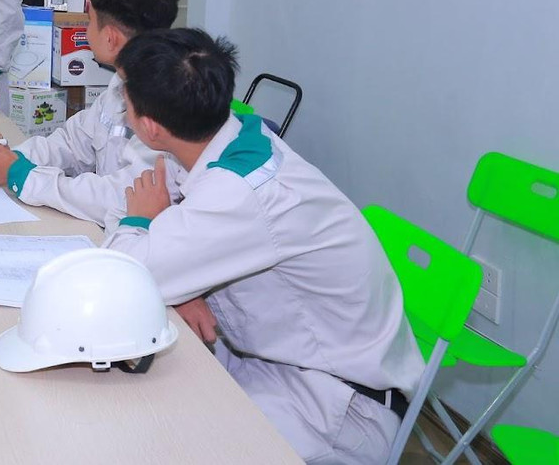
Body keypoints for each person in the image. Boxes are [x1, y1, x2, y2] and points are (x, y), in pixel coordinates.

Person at [105, 28, 424, 465]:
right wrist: (182, 286)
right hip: (272, 362)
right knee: (137, 404)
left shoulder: (241, 191)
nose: (123, 114)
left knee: (152, 438)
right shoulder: (235, 136)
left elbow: (123, 281)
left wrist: (141, 220)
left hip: (336, 408)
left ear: (150, 127)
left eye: (126, 104)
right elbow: (172, 248)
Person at [0, 0, 182, 225]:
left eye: (90, 21)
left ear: (110, 38)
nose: (86, 31)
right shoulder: (121, 83)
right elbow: (71, 143)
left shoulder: (167, 105)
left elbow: (121, 197)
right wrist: (12, 158)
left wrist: (21, 175)